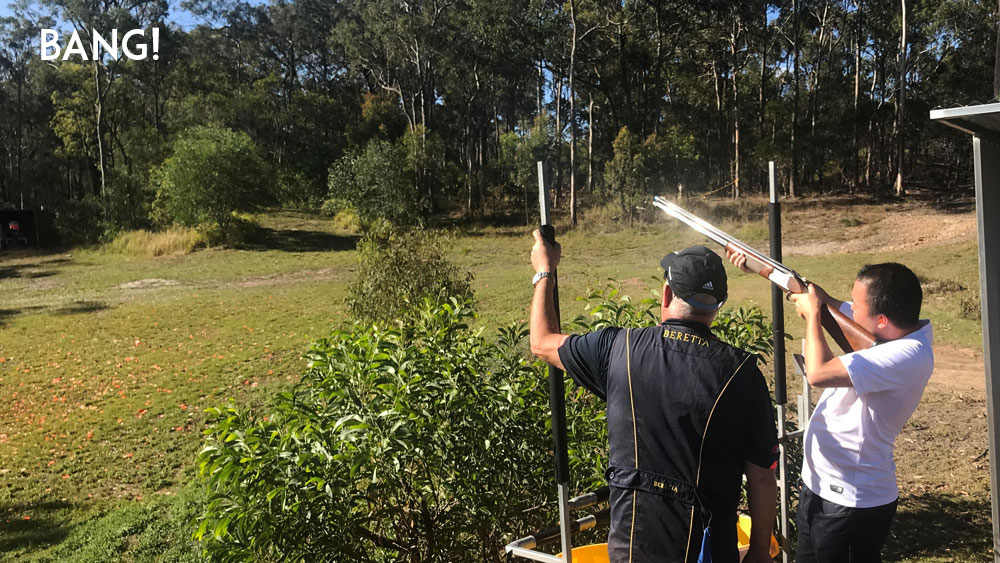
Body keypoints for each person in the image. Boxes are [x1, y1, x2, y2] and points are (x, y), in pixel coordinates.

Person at [530, 231, 778, 563]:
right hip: (710, 548)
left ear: (666, 294)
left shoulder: (617, 349)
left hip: (635, 544)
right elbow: (762, 476)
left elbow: (541, 342)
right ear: (718, 306)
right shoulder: (743, 373)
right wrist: (760, 548)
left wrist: (545, 270)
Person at [728, 253, 933, 563]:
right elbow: (829, 302)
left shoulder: (908, 355)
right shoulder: (890, 331)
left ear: (881, 321)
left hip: (849, 503)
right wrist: (773, 274)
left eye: (857, 306)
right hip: (824, 487)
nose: (849, 308)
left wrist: (812, 317)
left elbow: (818, 373)